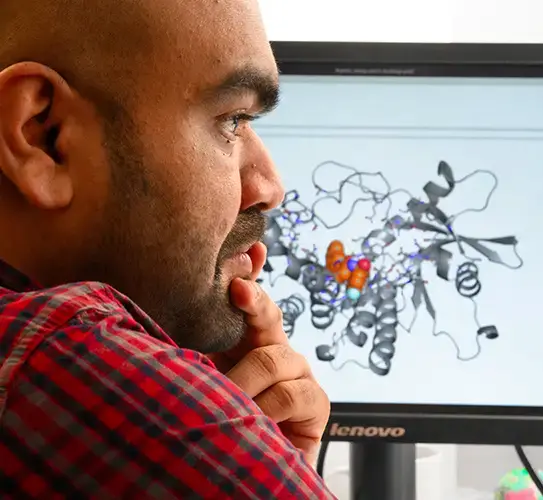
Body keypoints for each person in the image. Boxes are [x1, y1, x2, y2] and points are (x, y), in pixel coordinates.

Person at [0, 0, 336, 498]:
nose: (269, 185)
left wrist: (264, 452)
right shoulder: (74, 358)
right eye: (233, 120)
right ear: (43, 136)